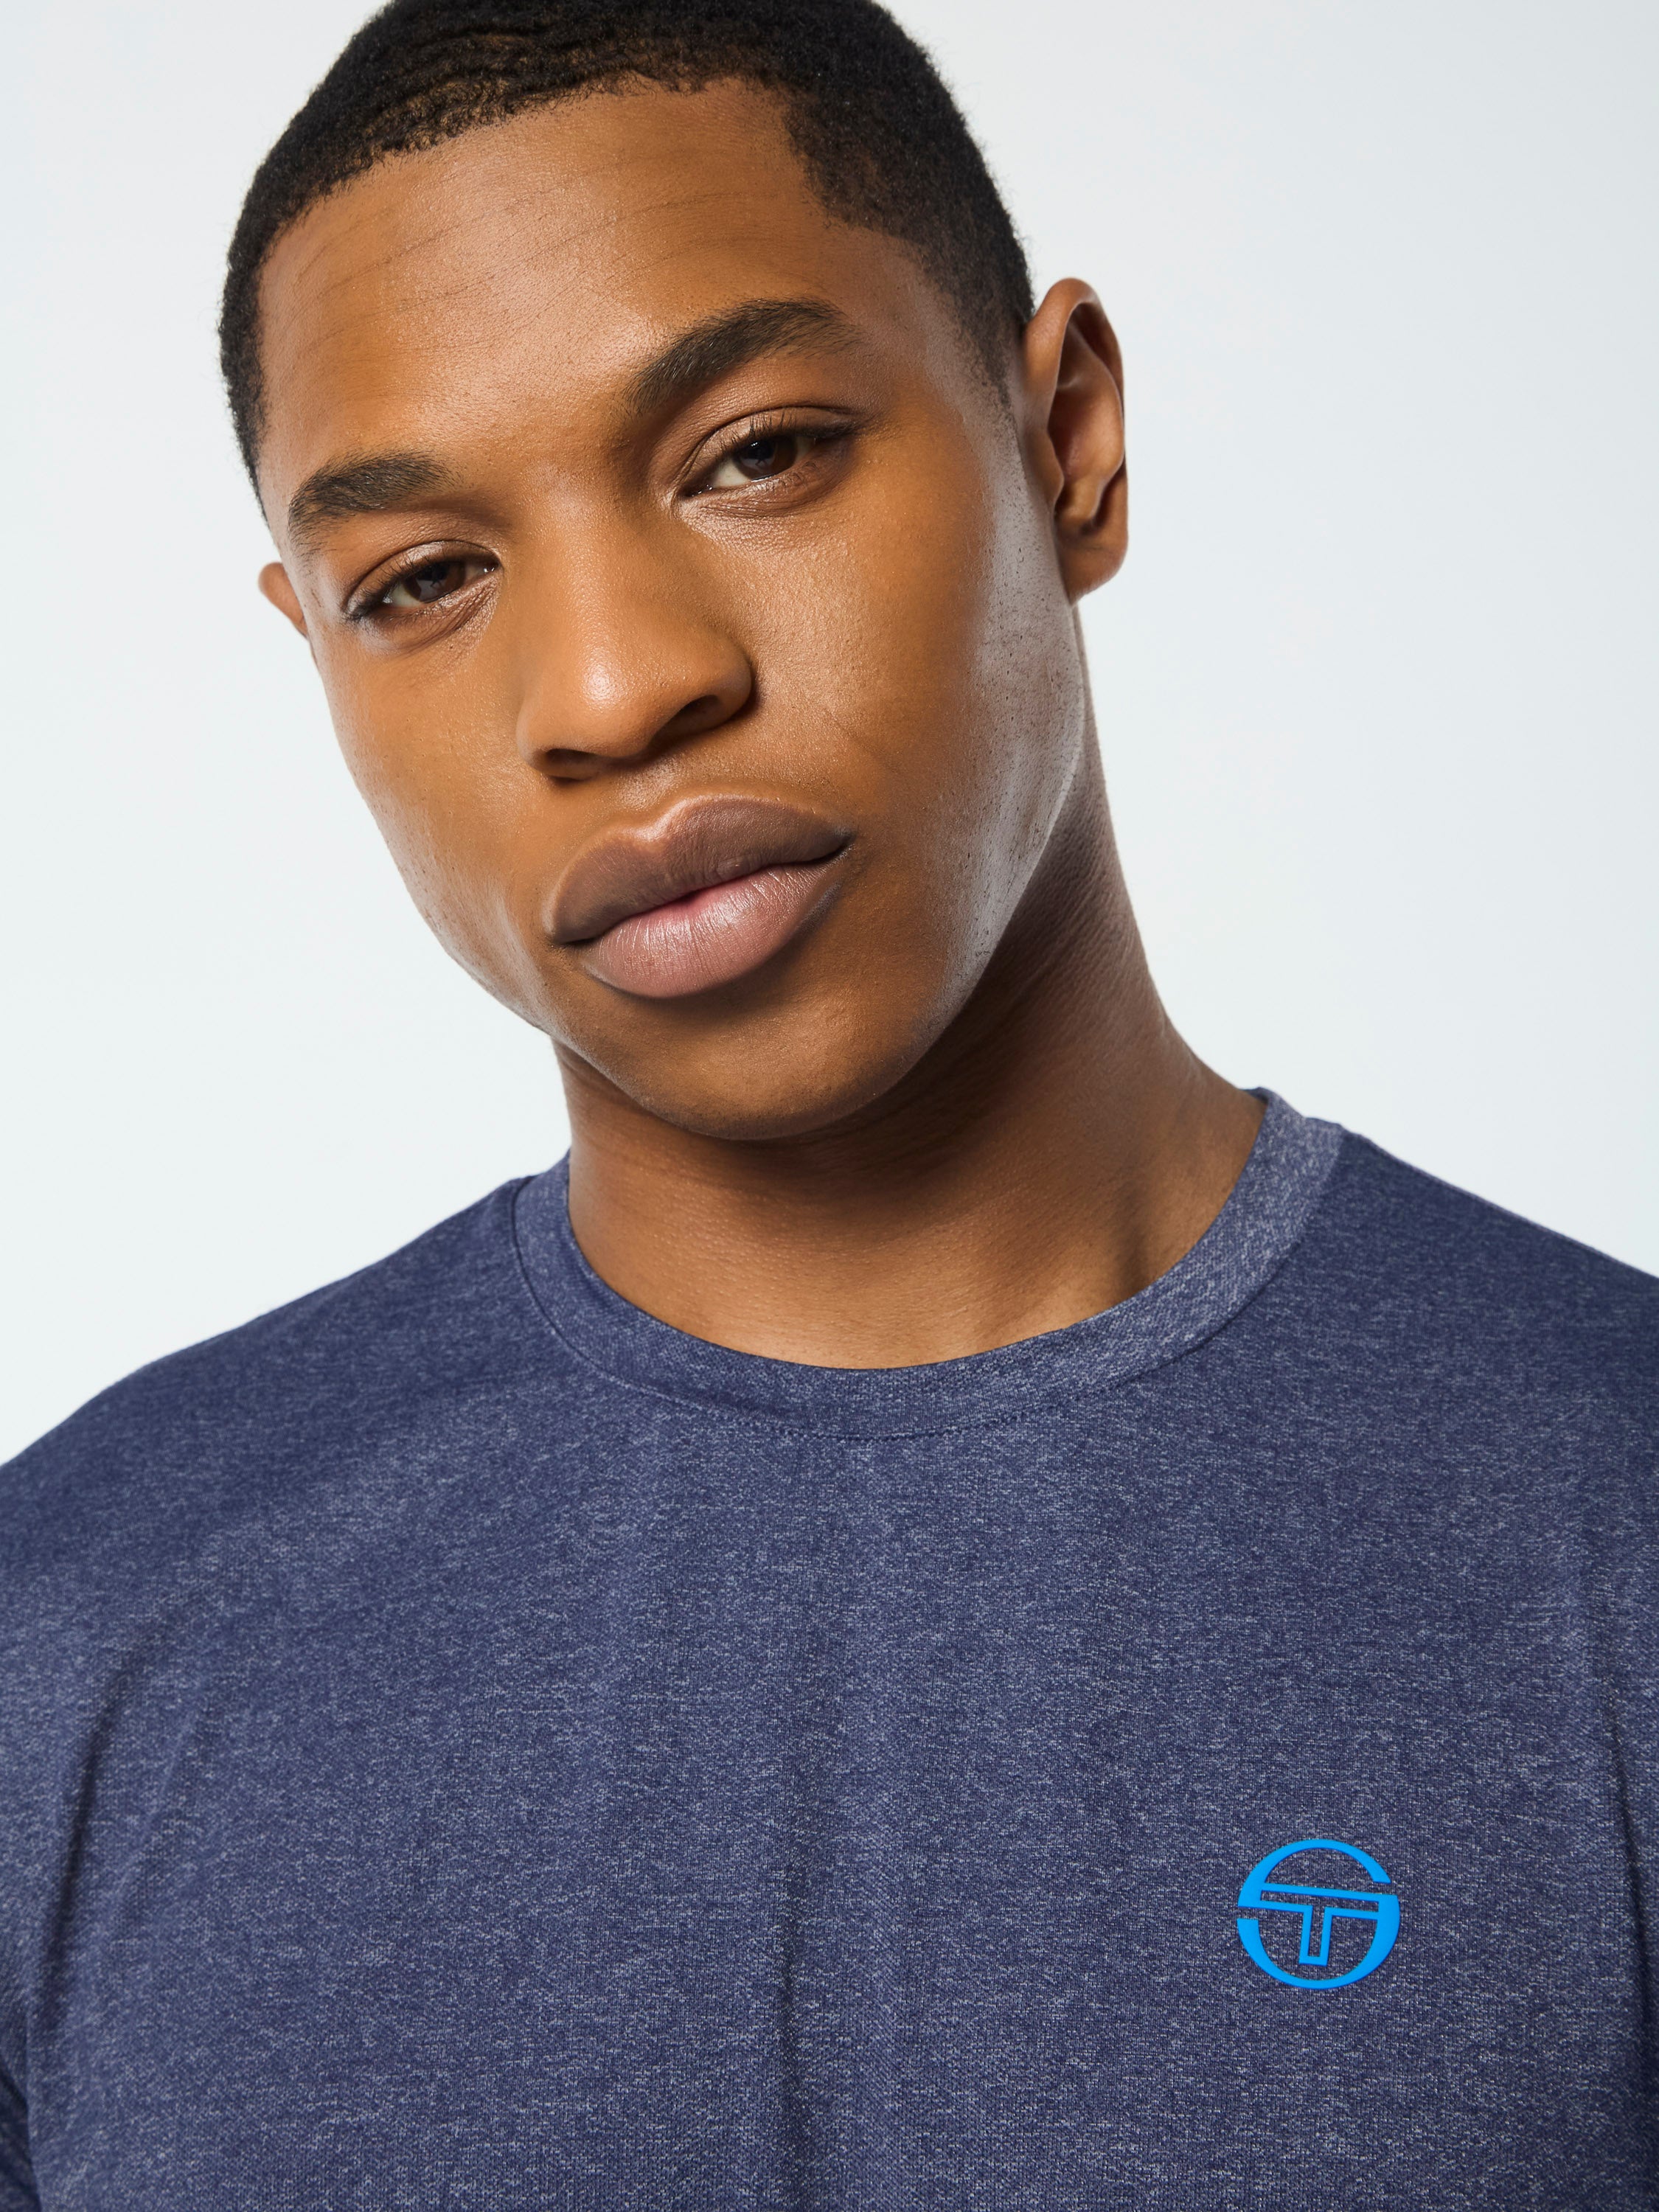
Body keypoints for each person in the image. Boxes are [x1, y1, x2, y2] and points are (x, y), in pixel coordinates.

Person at [1, 0, 1654, 2202]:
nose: (616, 687)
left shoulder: (1608, 1520)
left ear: (1067, 441)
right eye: (422, 582)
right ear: (315, 647)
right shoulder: (69, 1642)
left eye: (755, 454)